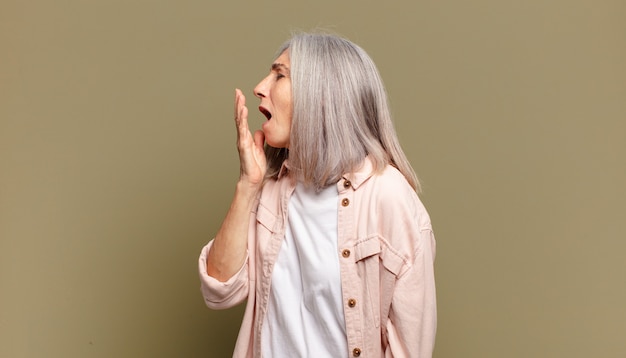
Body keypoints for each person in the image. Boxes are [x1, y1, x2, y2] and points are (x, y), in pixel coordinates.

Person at [198, 32, 437, 358]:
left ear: (321, 96)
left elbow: (409, 350)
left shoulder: (390, 199)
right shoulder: (272, 190)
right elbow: (219, 290)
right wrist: (247, 186)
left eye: (279, 75)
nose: (260, 87)